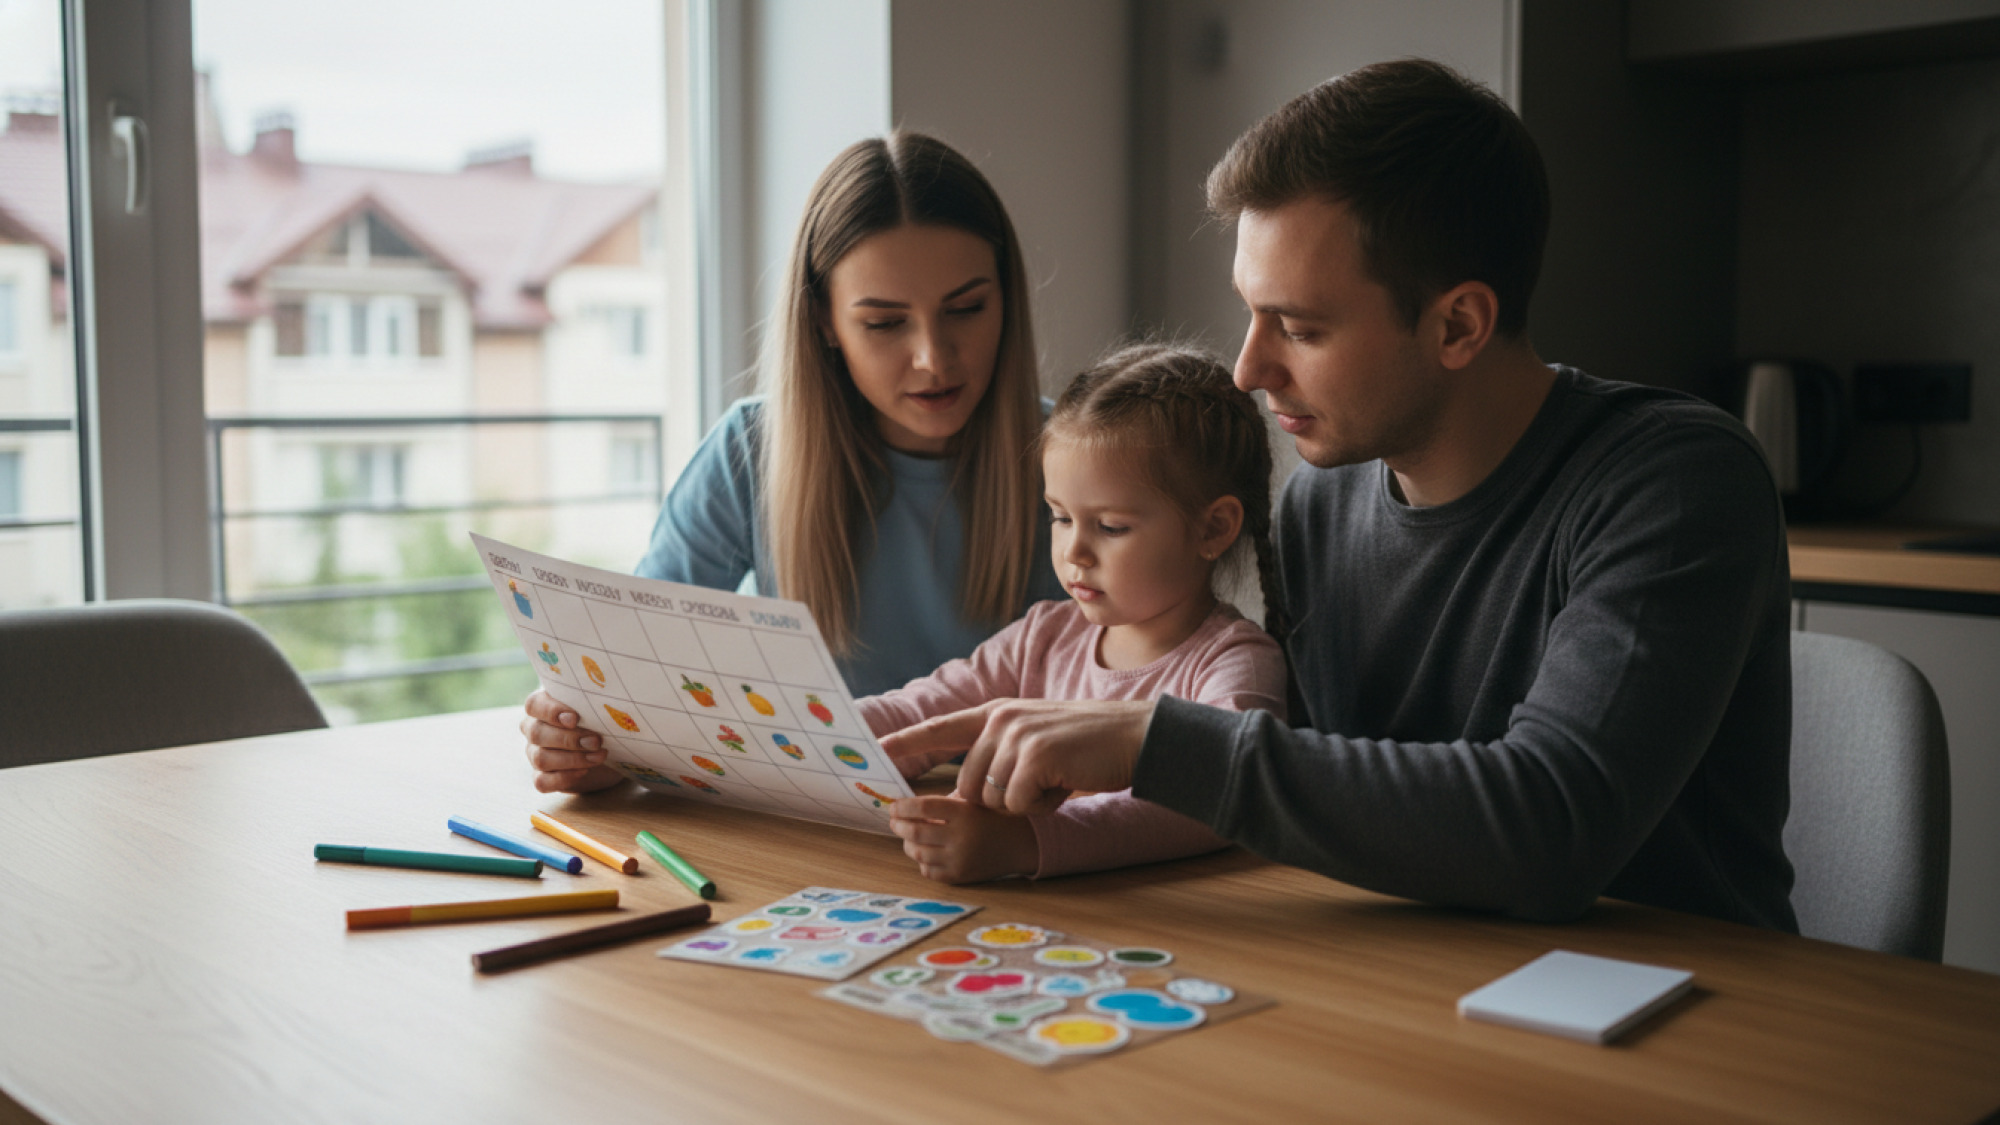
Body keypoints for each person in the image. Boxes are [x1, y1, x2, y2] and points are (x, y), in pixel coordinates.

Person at [885, 59, 1798, 931]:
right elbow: (1324, 798)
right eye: (1252, 314)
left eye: (1299, 327)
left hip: (1682, 997)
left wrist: (1155, 741)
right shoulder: (1321, 504)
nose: (1248, 369)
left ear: (1459, 324)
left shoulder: (1673, 485)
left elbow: (1552, 829)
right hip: (1409, 968)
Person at [522, 132, 1063, 794]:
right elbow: (638, 682)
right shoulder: (749, 453)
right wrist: (588, 745)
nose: (933, 357)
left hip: (1011, 822)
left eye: (967, 308)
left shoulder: (1074, 461)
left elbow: (1128, 699)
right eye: (885, 323)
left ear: (1007, 299)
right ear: (824, 320)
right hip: (808, 821)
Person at [868, 342, 1287, 884]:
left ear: (1213, 528)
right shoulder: (1044, 635)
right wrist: (814, 736)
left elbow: (1216, 798)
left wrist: (1026, 843)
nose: (1074, 552)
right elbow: (919, 710)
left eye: (1110, 527)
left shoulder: (1235, 664)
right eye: (1060, 517)